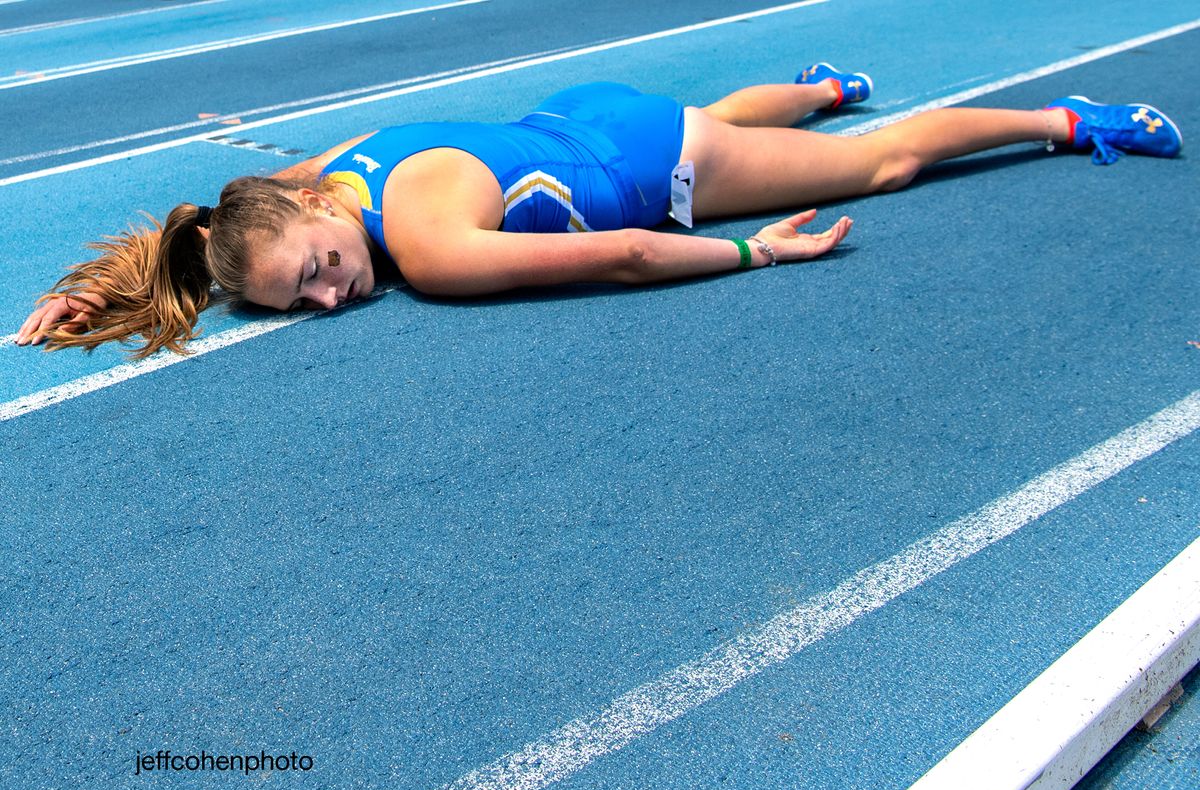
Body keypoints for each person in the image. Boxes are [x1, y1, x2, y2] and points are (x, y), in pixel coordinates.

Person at [15, 63, 1182, 358]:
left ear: (311, 216)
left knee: (877, 167)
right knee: (731, 115)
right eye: (303, 297)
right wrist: (107, 293)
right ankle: (826, 84)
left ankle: (1065, 123)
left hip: (652, 169)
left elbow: (624, 254)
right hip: (583, 115)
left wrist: (746, 254)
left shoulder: (423, 247)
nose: (330, 294)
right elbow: (212, 249)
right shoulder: (321, 176)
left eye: (318, 267)